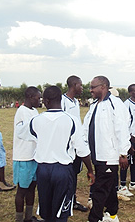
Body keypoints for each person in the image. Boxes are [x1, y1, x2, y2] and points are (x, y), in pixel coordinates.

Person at [20, 86, 95, 222]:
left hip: (42, 170)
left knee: (47, 212)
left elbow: (22, 133)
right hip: (63, 170)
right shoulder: (72, 120)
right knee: (61, 212)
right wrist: (90, 170)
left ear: (46, 101)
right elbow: (82, 150)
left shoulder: (36, 120)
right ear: (60, 100)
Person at [83, 76, 130, 222]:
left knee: (100, 189)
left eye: (93, 87)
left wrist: (123, 152)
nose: (90, 90)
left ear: (103, 87)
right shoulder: (94, 105)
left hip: (109, 155)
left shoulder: (115, 103)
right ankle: (112, 214)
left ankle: (95, 218)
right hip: (96, 154)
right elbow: (86, 128)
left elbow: (122, 128)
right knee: (108, 187)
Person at [13, 87, 42, 222]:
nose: (40, 100)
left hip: (34, 156)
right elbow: (23, 132)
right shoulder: (21, 112)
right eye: (38, 97)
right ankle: (19, 219)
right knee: (22, 190)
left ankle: (28, 217)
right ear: (30, 97)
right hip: (23, 157)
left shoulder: (35, 111)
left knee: (32, 187)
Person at [61, 75, 88, 212]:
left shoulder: (75, 102)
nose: (82, 87)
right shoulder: (63, 101)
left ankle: (72, 200)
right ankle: (65, 201)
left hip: (76, 144)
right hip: (66, 146)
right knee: (67, 174)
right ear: (74, 85)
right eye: (81, 85)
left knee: (75, 173)